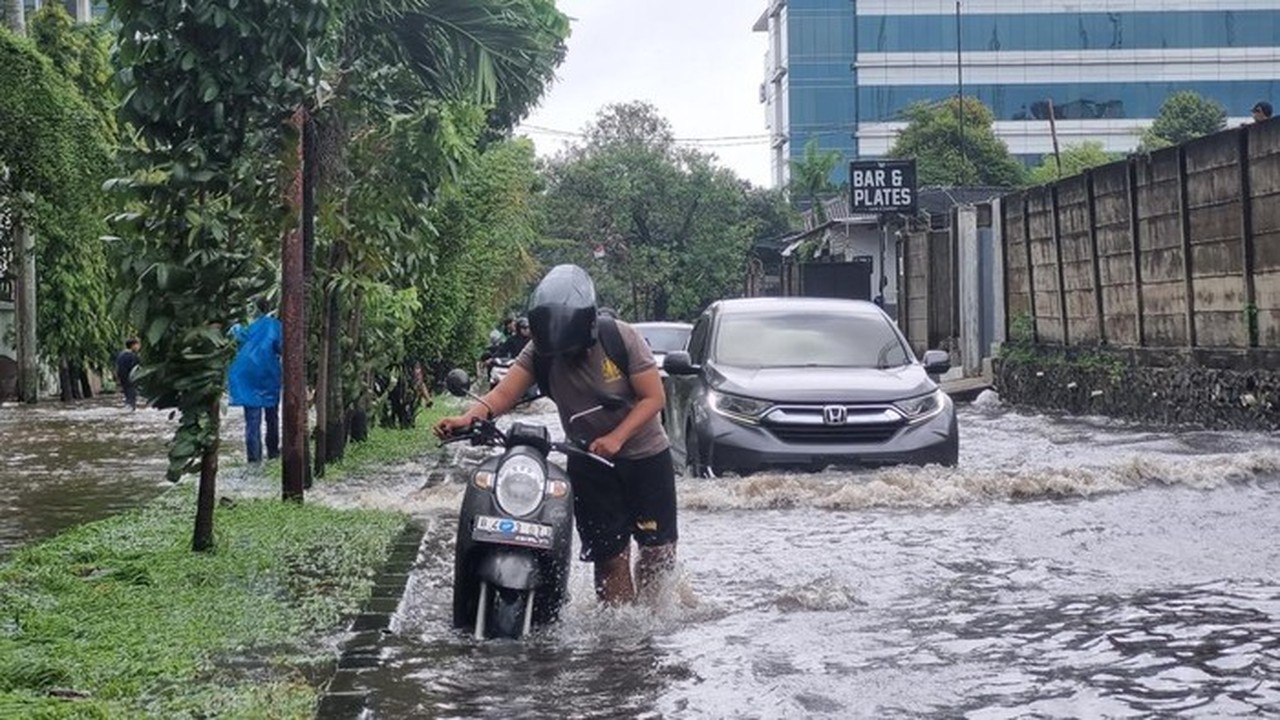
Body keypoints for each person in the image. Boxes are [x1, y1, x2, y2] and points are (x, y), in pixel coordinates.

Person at [434, 264, 678, 606]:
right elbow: (504, 395)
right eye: (557, 351)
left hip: (644, 457)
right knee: (610, 556)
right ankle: (623, 640)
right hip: (587, 461)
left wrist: (617, 438)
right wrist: (466, 418)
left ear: (588, 327)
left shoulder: (620, 338)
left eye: (572, 349)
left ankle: (656, 620)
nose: (565, 357)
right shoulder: (539, 352)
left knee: (657, 551)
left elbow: (654, 397)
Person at [227, 296, 283, 464]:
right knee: (272, 416)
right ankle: (273, 453)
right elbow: (281, 348)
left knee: (252, 420)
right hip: (268, 374)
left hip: (246, 376)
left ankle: (254, 460)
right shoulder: (274, 326)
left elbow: (229, 345)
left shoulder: (240, 327)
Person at [115, 337, 141, 411]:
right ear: (133, 345)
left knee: (128, 396)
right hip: (130, 379)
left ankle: (128, 408)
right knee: (132, 396)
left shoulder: (121, 355)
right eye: (138, 345)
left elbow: (117, 368)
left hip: (123, 379)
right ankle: (130, 409)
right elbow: (136, 369)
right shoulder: (132, 356)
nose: (139, 347)